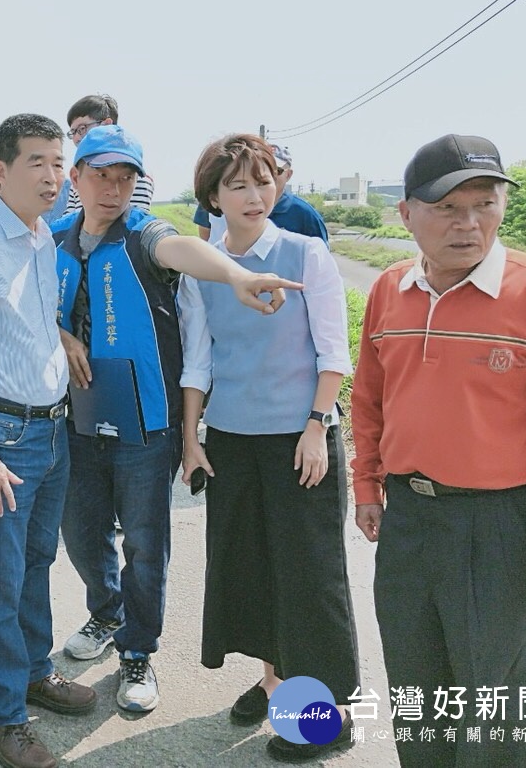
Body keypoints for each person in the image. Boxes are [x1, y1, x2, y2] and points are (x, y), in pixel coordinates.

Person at [51, 126, 299, 714]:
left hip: (147, 424)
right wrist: (61, 334)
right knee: (83, 535)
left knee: (144, 541)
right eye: (100, 175)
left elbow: (183, 249)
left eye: (125, 177)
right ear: (76, 179)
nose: (112, 189)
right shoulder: (53, 242)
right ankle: (106, 613)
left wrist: (235, 274)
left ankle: (139, 648)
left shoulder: (146, 235)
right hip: (76, 422)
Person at [352, 134, 526, 768]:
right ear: (407, 213)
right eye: (447, 207)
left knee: (499, 708)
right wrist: (367, 484)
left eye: (485, 203)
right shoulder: (390, 291)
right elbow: (370, 399)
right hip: (410, 521)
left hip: (504, 524)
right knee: (419, 690)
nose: (468, 223)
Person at [179, 134, 359, 763]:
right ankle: (276, 685)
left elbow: (334, 352)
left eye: (263, 181)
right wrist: (191, 441)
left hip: (298, 440)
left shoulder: (307, 254)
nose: (256, 196)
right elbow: (198, 362)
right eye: (238, 186)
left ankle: (326, 716)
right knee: (253, 570)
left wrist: (317, 425)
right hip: (231, 440)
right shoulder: (203, 267)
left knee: (309, 578)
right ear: (213, 197)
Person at [0, 113, 93, 768]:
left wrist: (63, 341)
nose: (54, 177)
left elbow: (31, 320)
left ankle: (34, 671)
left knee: (36, 564)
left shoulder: (41, 242)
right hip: (5, 435)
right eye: (39, 162)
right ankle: (2, 715)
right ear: (0, 172)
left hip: (52, 428)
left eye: (60, 164)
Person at [44, 94, 154, 225]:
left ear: (107, 124)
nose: (77, 138)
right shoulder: (78, 175)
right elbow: (70, 220)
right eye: (73, 132)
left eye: (82, 129)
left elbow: (136, 225)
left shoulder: (136, 171)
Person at [194, 144, 327, 244]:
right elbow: (205, 240)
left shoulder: (305, 217)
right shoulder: (199, 274)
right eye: (239, 186)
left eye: (277, 170)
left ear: (288, 175)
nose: (254, 198)